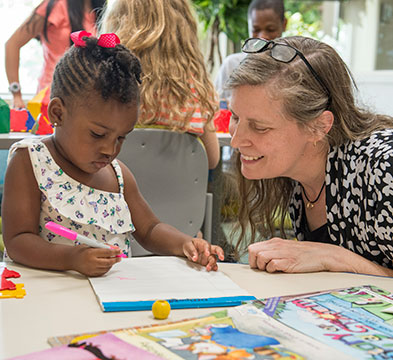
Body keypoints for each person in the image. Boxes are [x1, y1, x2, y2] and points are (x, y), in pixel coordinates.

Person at [1, 31, 224, 277]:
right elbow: (18, 240)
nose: (110, 150)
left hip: (111, 301)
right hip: (49, 298)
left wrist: (184, 243)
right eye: (97, 134)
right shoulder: (31, 161)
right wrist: (72, 258)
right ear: (57, 113)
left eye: (121, 137)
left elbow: (150, 229)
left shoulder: (117, 176)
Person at [226, 36, 393, 276]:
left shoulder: (385, 169)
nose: (236, 140)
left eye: (260, 127)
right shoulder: (303, 172)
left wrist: (331, 256)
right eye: (234, 117)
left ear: (319, 126)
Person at [100, 0, 220, 169]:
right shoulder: (194, 88)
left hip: (115, 192)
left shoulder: (106, 84)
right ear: (184, 30)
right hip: (179, 193)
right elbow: (212, 159)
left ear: (117, 23)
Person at [5, 0, 106, 109]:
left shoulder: (101, 9)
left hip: (86, 98)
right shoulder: (56, 5)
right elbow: (12, 44)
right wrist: (16, 94)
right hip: (52, 98)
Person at [215, 0, 287, 104]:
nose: (263, 37)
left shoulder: (292, 66)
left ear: (284, 24)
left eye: (270, 29)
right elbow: (217, 105)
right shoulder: (231, 65)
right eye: (256, 30)